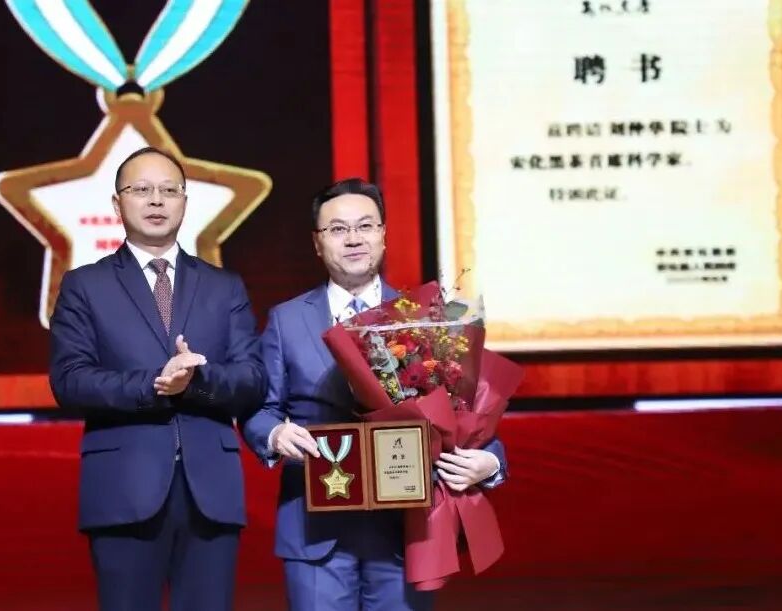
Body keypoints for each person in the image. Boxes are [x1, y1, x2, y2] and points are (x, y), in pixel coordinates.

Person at [242, 178, 508, 610]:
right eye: (338, 229)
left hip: (406, 527)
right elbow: (260, 409)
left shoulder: (425, 316)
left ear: (383, 235)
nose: (353, 239)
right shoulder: (286, 320)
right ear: (317, 242)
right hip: (317, 526)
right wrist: (274, 435)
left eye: (365, 226)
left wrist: (490, 462)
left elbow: (465, 412)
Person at [49, 146, 265, 610]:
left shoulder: (224, 285)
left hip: (211, 494)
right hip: (122, 489)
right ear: (117, 203)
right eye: (142, 189)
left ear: (185, 201)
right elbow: (70, 381)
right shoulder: (85, 285)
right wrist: (154, 384)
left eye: (169, 190)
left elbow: (252, 379)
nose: (156, 200)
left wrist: (196, 380)